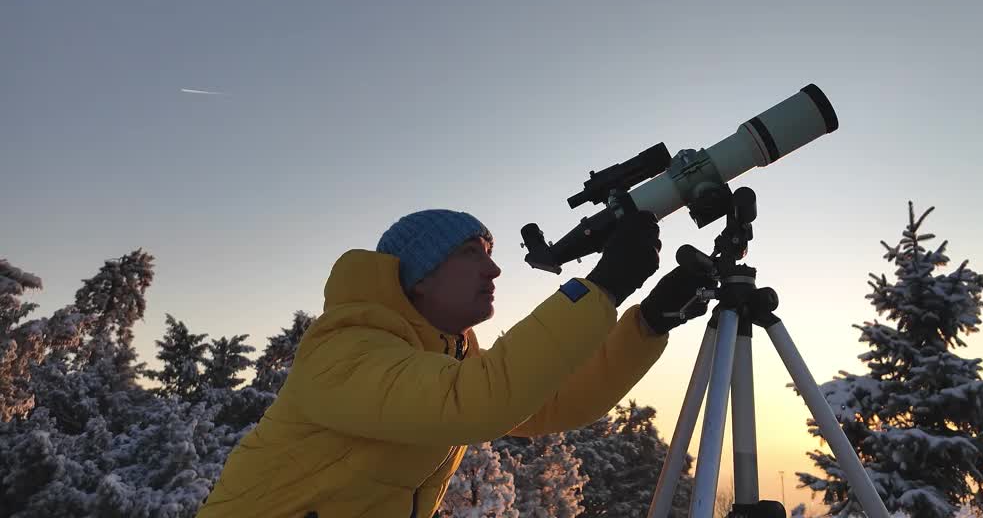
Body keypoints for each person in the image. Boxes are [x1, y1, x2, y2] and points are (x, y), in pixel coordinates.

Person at [197, 208, 710, 517]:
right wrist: (600, 288)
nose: (494, 267)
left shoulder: (447, 358)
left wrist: (646, 325)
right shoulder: (344, 350)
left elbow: (548, 402)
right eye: (471, 252)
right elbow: (475, 402)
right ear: (419, 275)